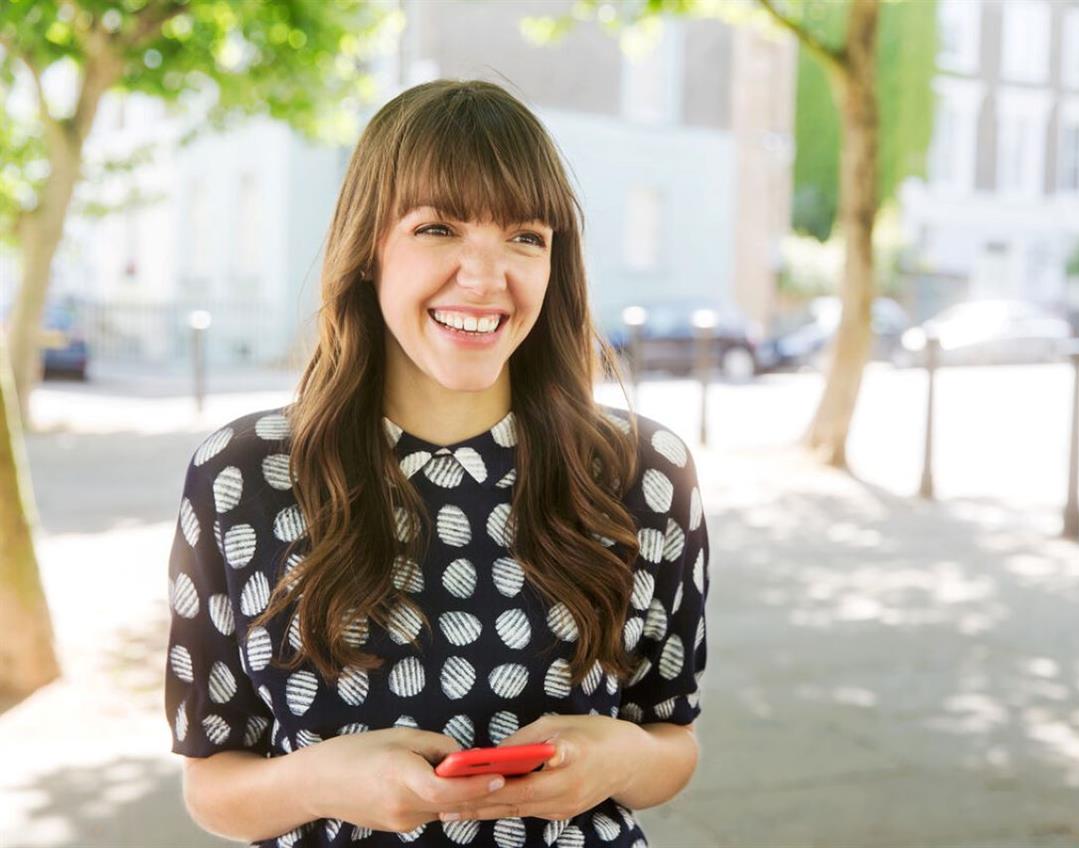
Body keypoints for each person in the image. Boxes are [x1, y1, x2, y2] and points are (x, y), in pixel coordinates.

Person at [162, 79, 709, 848]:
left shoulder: (645, 473)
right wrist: (324, 781)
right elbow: (213, 781)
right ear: (368, 251)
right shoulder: (244, 476)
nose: (486, 278)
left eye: (525, 236)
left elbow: (671, 742)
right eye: (439, 228)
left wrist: (616, 762)